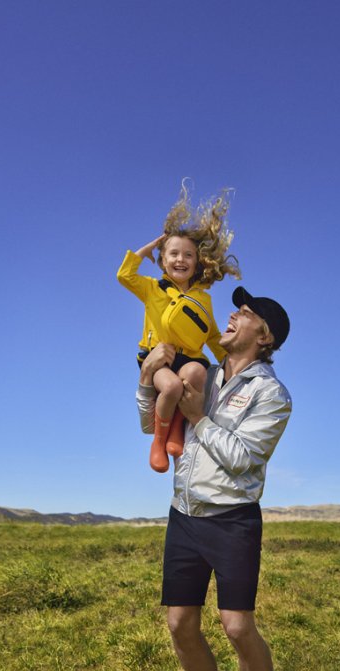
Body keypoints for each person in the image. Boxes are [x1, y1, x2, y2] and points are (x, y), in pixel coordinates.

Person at [136, 285, 293, 671]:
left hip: (232, 521)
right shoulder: (199, 370)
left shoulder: (272, 394)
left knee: (237, 625)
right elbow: (151, 426)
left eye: (243, 314)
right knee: (180, 623)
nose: (231, 315)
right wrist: (147, 382)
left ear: (264, 336)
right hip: (184, 515)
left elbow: (244, 460)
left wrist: (199, 420)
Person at [117, 183, 241, 473]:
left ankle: (176, 431)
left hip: (190, 358)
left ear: (197, 263)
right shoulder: (152, 288)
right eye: (172, 254)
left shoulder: (203, 299)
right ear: (162, 260)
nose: (180, 260)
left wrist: (230, 361)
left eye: (187, 255)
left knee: (196, 373)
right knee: (171, 386)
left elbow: (210, 334)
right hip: (159, 358)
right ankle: (159, 441)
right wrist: (146, 249)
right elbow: (124, 275)